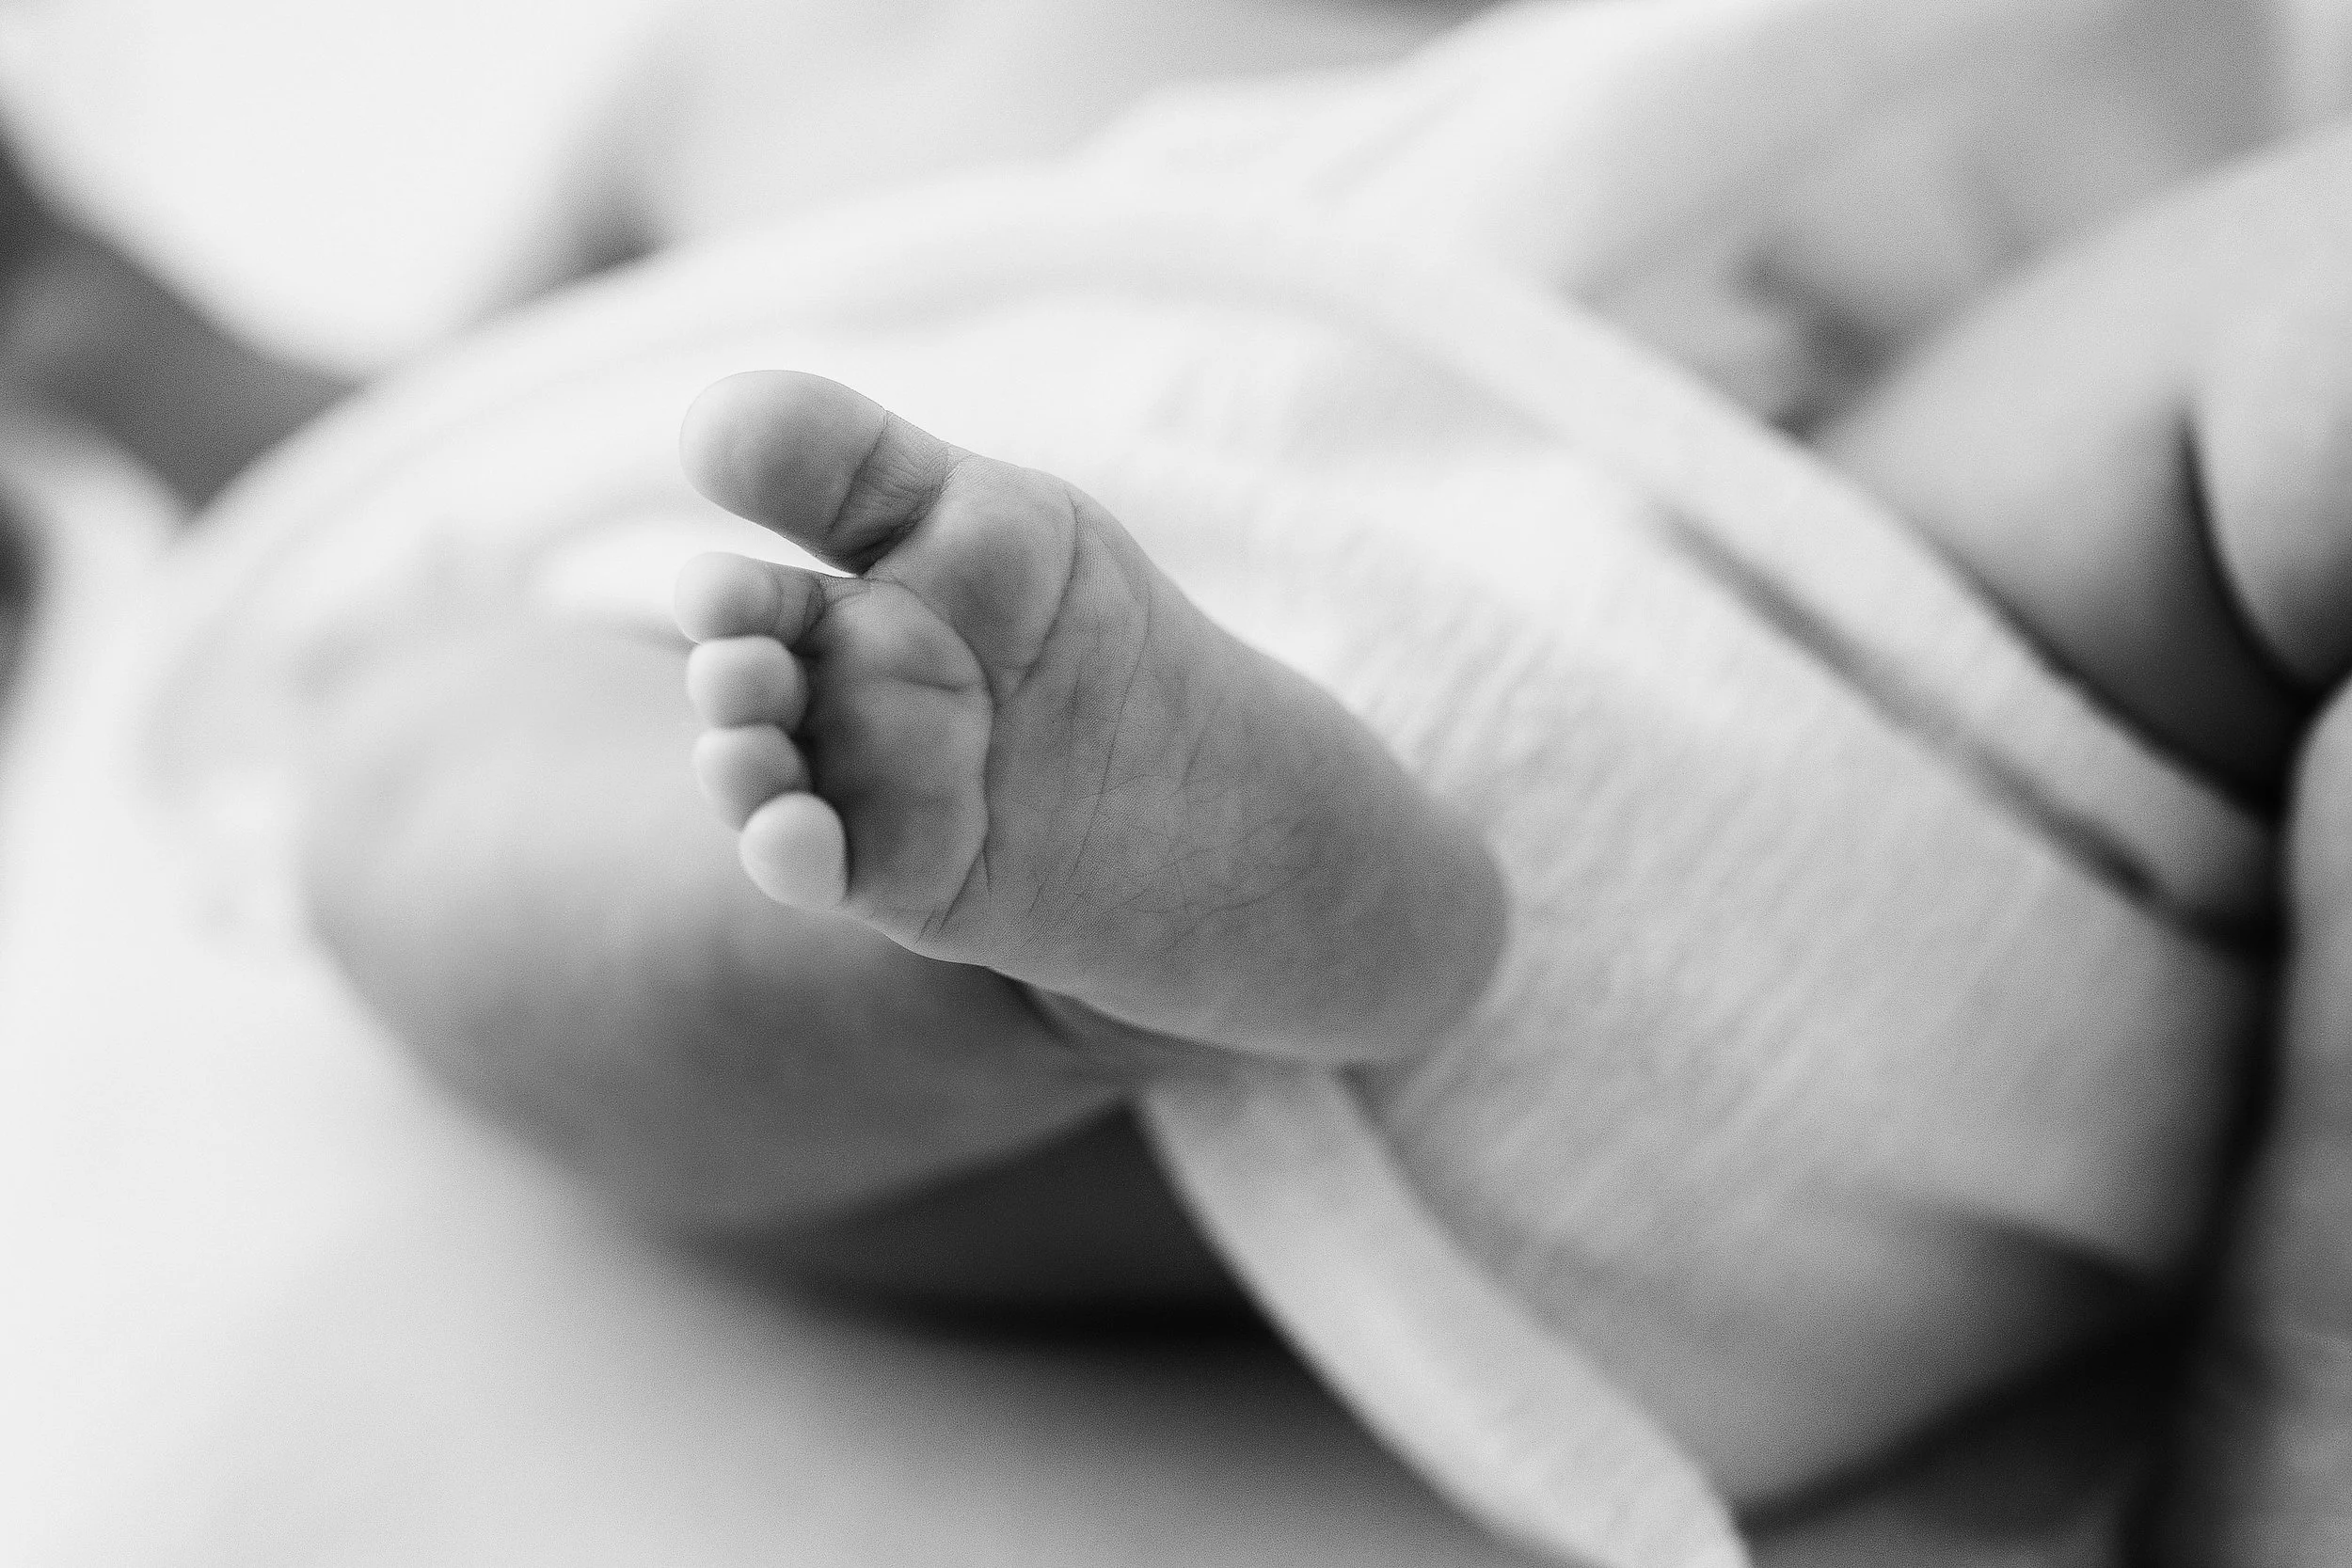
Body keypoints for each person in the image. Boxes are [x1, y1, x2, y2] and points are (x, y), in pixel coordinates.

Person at [183, 0, 2348, 1557]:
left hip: (1809, 571)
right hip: (1127, 882)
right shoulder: (719, 67)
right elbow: (392, 441)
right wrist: (129, 340)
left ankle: (2291, 1413)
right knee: (420, 760)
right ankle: (1063, 921)